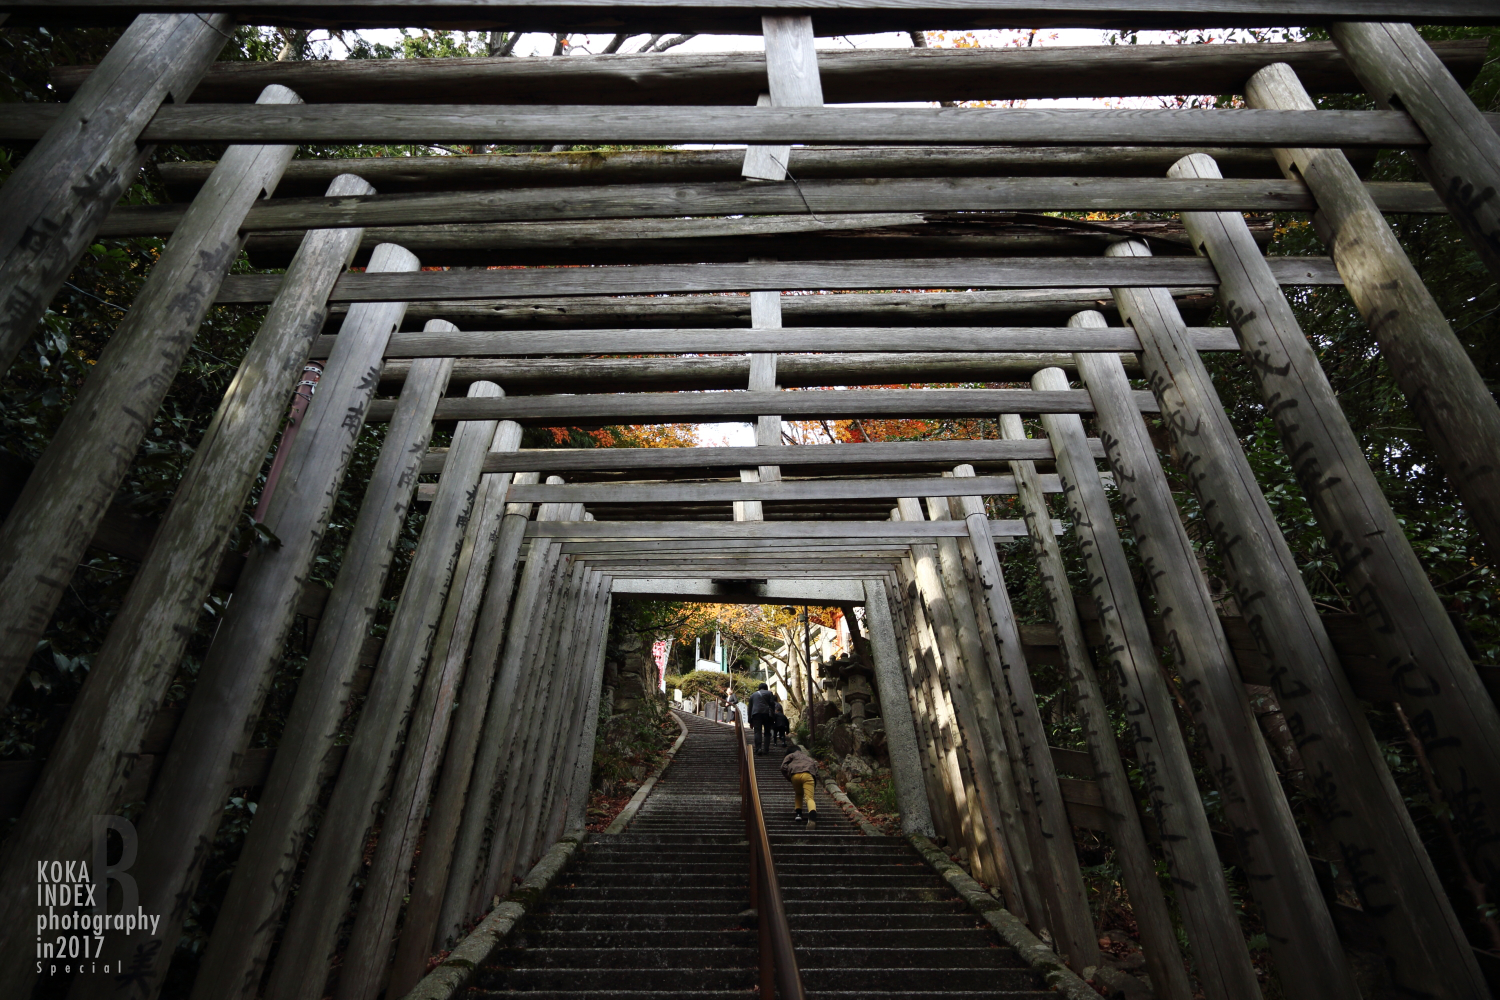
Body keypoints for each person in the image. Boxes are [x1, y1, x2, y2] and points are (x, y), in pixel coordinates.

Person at [780, 741, 819, 827]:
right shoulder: (808, 758)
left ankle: (798, 814)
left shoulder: (791, 755)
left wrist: (789, 775)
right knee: (809, 798)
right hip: (808, 775)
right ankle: (812, 817)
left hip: (795, 775)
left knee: (798, 794)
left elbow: (783, 767)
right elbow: (816, 770)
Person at [748, 682, 777, 754]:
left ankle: (758, 748)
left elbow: (750, 708)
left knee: (757, 731)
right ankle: (766, 749)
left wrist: (750, 720)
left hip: (756, 714)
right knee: (767, 732)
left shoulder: (753, 695)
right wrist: (773, 717)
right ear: (766, 688)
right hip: (767, 714)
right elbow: (772, 704)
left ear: (759, 688)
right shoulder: (769, 693)